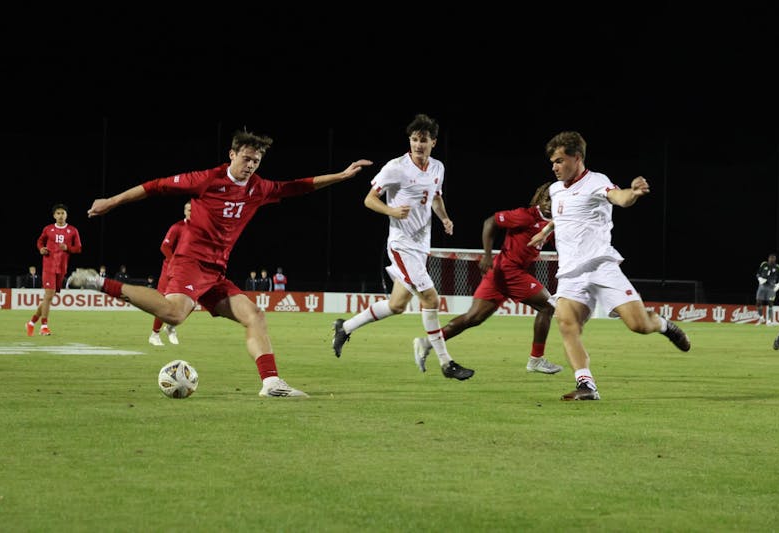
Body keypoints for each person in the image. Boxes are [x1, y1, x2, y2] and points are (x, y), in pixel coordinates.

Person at [68, 129, 372, 398]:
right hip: (190, 261)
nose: (251, 165)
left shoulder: (258, 188)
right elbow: (155, 186)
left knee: (254, 315)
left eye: (256, 161)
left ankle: (272, 383)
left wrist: (342, 176)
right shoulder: (207, 180)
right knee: (174, 314)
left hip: (215, 271)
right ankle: (99, 282)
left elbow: (297, 186)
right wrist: (112, 201)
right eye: (246, 158)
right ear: (232, 155)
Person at [528, 131, 691, 401]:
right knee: (567, 322)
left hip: (600, 265)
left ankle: (663, 325)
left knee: (638, 324)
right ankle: (586, 384)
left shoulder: (596, 181)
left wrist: (634, 194)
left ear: (576, 157)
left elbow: (619, 197)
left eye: (559, 161)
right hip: (570, 273)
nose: (554, 167)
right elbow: (565, 214)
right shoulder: (556, 190)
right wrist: (545, 232)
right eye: (552, 162)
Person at [331, 113, 474, 380]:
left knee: (397, 305)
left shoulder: (438, 168)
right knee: (432, 298)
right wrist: (392, 210)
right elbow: (369, 200)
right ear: (410, 140)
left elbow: (435, 197)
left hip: (421, 246)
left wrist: (445, 218)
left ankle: (345, 327)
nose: (418, 145)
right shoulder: (395, 167)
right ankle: (446, 363)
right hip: (401, 245)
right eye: (414, 139)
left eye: (424, 140)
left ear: (433, 142)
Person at [413, 182, 563, 375]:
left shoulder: (553, 223)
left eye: (554, 199)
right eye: (546, 199)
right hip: (509, 271)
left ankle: (427, 342)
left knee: (473, 318)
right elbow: (490, 222)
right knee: (547, 306)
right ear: (539, 199)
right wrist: (486, 255)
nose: (549, 203)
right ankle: (536, 360)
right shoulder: (525, 215)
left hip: (499, 273)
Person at [25, 203, 82, 336]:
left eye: (63, 213)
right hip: (48, 266)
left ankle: (31, 322)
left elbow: (78, 248)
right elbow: (39, 242)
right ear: (54, 215)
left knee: (48, 298)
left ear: (66, 215)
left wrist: (68, 248)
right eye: (58, 213)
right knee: (49, 296)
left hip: (61, 268)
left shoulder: (73, 230)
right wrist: (41, 249)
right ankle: (44, 327)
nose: (60, 215)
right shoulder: (48, 229)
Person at [149, 200, 191, 346]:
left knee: (192, 302)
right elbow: (165, 247)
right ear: (184, 211)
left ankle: (171, 327)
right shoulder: (177, 227)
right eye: (188, 209)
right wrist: (174, 261)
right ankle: (154, 334)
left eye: (193, 210)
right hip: (171, 269)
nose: (190, 212)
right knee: (164, 302)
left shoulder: (201, 229)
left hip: (189, 271)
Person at [754, 253, 779, 325]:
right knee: (758, 302)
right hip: (762, 286)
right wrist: (759, 278)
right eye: (771, 258)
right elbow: (758, 273)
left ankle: (769, 321)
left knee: (770, 303)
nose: (772, 259)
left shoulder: (778, 267)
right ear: (768, 258)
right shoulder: (764, 264)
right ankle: (761, 318)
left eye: (773, 258)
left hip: (771, 287)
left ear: (775, 259)